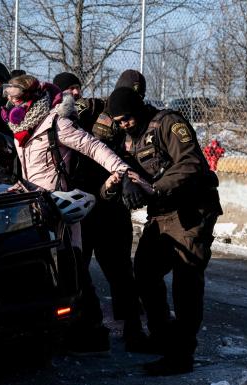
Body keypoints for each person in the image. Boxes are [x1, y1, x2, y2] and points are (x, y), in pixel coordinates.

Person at [2, 74, 143, 355]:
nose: (11, 102)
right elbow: (26, 166)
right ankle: (63, 330)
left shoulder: (58, 123)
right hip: (36, 208)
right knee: (48, 272)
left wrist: (123, 173)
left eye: (16, 97)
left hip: (67, 207)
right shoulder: (19, 127)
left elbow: (94, 147)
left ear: (31, 98)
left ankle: (98, 331)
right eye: (9, 97)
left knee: (77, 267)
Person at [104, 87, 223, 375]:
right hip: (161, 214)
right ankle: (163, 338)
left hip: (191, 212)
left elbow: (191, 163)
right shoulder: (130, 138)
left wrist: (154, 188)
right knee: (144, 273)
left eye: (126, 119)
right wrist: (120, 185)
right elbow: (125, 169)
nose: (123, 125)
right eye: (118, 122)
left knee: (186, 282)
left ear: (138, 108)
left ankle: (181, 354)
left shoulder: (169, 123)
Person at [52, 71, 148, 351]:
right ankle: (86, 328)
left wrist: (129, 180)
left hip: (110, 205)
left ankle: (131, 328)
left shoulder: (135, 120)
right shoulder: (89, 110)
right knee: (77, 271)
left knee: (119, 270)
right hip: (81, 201)